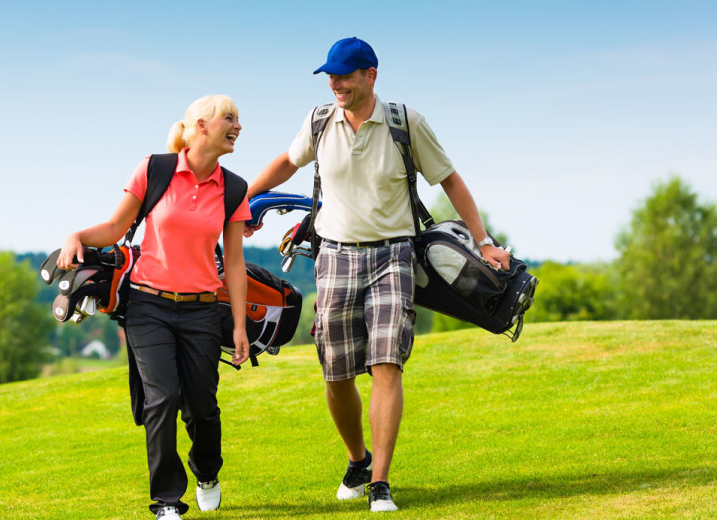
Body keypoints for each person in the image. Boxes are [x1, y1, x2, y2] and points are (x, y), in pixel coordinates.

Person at [245, 38, 511, 512]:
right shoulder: (319, 121)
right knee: (336, 371)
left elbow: (450, 179)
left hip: (394, 256)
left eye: (345, 75)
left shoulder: (405, 122)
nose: (336, 83)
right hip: (335, 257)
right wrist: (245, 198)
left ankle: (380, 483)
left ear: (370, 75)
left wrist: (484, 241)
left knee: (387, 363)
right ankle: (358, 459)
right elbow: (288, 162)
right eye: (330, 75)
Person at [57, 95, 251, 520]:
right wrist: (77, 235)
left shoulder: (235, 188)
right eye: (229, 118)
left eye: (239, 119)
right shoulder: (155, 169)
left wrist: (239, 325)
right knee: (161, 398)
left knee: (202, 406)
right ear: (201, 125)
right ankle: (167, 501)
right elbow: (114, 227)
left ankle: (207, 471)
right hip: (148, 306)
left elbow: (234, 263)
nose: (238, 126)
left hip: (202, 310)